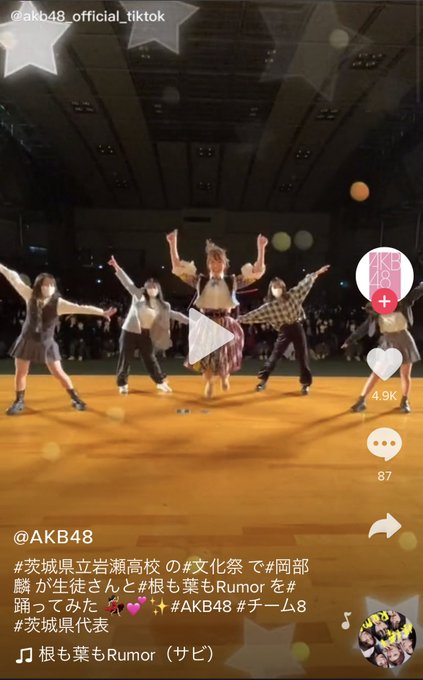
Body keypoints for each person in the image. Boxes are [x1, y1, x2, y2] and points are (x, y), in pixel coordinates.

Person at [0, 264, 116, 414]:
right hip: (27, 339)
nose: (49, 287)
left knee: (58, 373)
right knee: (21, 372)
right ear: (39, 285)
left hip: (46, 343)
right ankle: (19, 401)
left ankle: (75, 398)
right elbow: (13, 277)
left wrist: (101, 312)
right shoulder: (29, 295)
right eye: (46, 284)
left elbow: (80, 308)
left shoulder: (59, 304)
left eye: (52, 285)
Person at [167, 229, 268, 398]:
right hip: (206, 323)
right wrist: (172, 243)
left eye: (219, 262)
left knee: (224, 357)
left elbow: (257, 272)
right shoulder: (200, 281)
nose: (216, 265)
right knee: (206, 358)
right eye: (213, 262)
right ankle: (208, 382)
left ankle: (224, 377)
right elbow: (177, 268)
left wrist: (261, 248)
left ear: (224, 264)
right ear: (208, 264)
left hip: (225, 322)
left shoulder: (232, 282)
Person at [238, 268, 330, 394]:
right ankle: (263, 381)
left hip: (296, 326)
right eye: (274, 287)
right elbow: (254, 314)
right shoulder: (270, 306)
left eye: (279, 286)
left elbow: (303, 285)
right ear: (271, 289)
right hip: (284, 330)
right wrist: (239, 319)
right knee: (275, 355)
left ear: (283, 287)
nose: (277, 289)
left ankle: (305, 384)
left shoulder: (293, 295)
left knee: (302, 355)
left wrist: (315, 274)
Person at [108, 256, 188, 394]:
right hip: (129, 331)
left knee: (150, 359)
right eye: (149, 286)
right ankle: (122, 384)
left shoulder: (163, 306)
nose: (151, 288)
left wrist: (192, 322)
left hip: (146, 335)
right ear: (145, 288)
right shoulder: (138, 296)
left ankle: (160, 382)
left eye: (154, 287)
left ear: (158, 289)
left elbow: (176, 315)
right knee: (125, 358)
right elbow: (127, 283)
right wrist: (117, 267)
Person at [342, 282, 423, 413]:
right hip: (388, 342)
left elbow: (415, 293)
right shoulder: (376, 311)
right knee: (377, 373)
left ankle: (404, 401)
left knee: (405, 374)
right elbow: (364, 328)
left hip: (404, 340)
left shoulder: (402, 303)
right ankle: (361, 401)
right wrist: (350, 340)